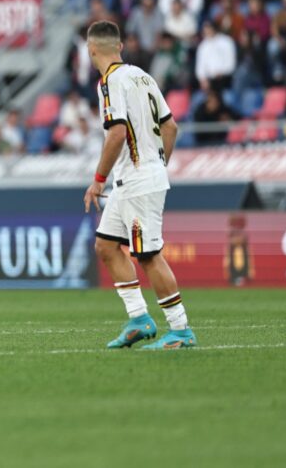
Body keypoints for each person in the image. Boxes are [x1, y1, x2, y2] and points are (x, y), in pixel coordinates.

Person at [82, 20, 196, 350]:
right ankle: (139, 320)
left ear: (91, 50)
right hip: (135, 179)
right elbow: (171, 126)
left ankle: (180, 329)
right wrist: (159, 165)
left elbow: (117, 133)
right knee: (105, 246)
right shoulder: (143, 76)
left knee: (148, 256)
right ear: (119, 46)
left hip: (135, 180)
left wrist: (97, 180)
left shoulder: (109, 82)